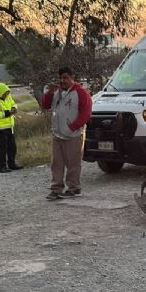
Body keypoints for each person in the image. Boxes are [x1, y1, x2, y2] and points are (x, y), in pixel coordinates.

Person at [40, 67, 92, 200]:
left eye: (65, 78)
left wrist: (73, 127)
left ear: (71, 78)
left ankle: (74, 188)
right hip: (57, 134)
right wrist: (49, 94)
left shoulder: (80, 93)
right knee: (56, 163)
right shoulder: (57, 92)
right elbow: (46, 105)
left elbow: (86, 113)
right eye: (60, 78)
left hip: (73, 135)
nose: (62, 80)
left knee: (73, 163)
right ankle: (56, 189)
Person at [0, 82, 23, 173]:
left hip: (9, 126)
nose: (6, 95)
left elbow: (13, 103)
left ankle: (12, 164)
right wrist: (8, 113)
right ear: (0, 92)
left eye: (7, 93)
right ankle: (2, 166)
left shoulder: (8, 96)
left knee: (12, 147)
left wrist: (14, 108)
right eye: (5, 94)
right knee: (2, 148)